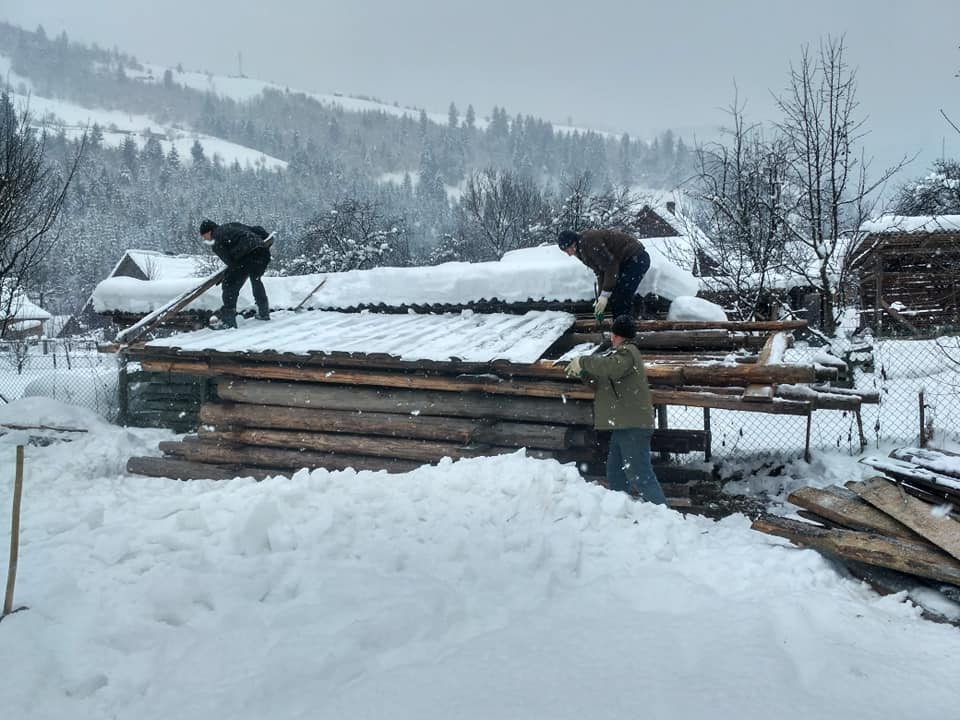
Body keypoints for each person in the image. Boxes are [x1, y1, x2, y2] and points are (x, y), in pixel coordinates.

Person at [565, 314, 667, 505]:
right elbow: (601, 384)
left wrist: (584, 361)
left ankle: (666, 517)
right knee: (616, 473)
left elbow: (610, 368)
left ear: (618, 335)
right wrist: (583, 373)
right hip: (623, 426)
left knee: (640, 474)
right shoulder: (617, 358)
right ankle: (620, 511)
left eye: (613, 334)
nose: (611, 337)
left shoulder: (628, 353)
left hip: (633, 426)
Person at [557, 228, 650, 322]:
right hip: (622, 263)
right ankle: (621, 324)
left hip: (636, 259)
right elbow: (600, 271)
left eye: (568, 249)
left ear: (573, 242)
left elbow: (610, 265)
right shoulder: (580, 250)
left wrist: (605, 295)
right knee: (615, 296)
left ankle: (623, 329)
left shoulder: (589, 242)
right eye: (565, 251)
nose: (569, 254)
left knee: (621, 296)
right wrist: (601, 296)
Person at [199, 219, 272, 328]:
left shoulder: (216, 240)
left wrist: (227, 276)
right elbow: (258, 229)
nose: (205, 239)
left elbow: (230, 262)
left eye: (204, 236)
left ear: (209, 232)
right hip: (262, 252)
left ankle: (229, 322)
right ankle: (264, 312)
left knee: (229, 286)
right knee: (256, 280)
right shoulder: (233, 225)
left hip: (245, 256)